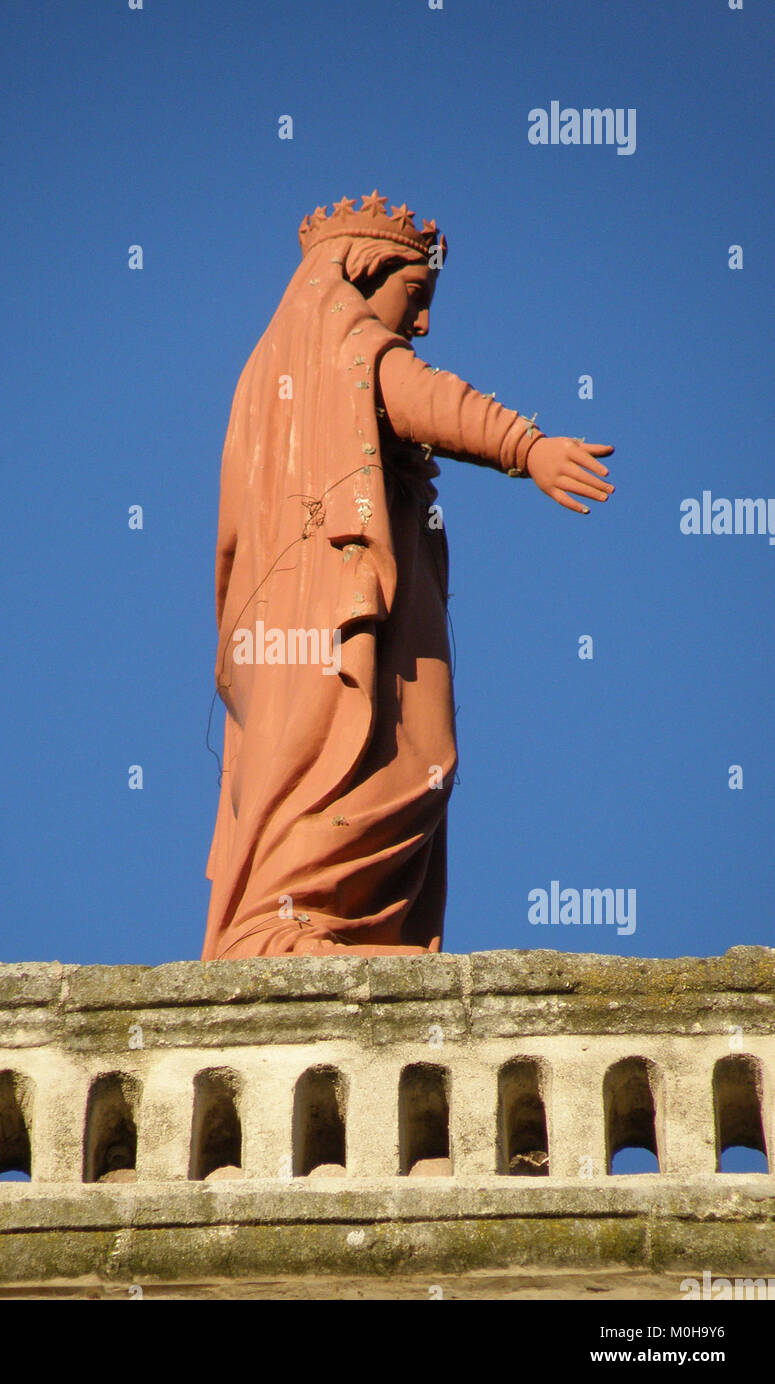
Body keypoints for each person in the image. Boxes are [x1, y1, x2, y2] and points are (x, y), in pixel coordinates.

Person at [201, 193, 613, 960]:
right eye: (413, 296)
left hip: (329, 612)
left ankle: (317, 922)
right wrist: (528, 448)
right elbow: (418, 394)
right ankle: (283, 926)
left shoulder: (275, 375)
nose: (419, 323)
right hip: (329, 613)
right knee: (362, 749)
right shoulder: (337, 346)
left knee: (391, 757)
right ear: (360, 274)